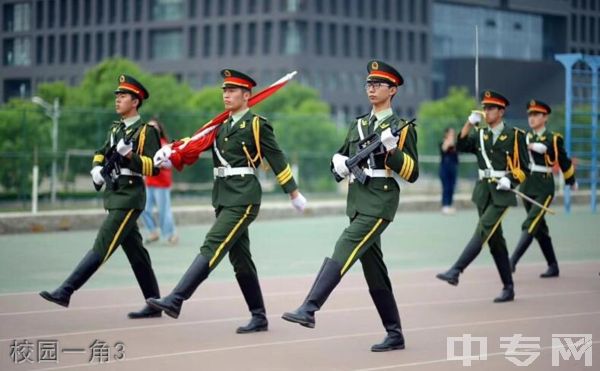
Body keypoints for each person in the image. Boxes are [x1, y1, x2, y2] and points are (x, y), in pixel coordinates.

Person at [147, 69, 307, 334]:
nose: (226, 95)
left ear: (247, 96)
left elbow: (277, 158)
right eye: (224, 90)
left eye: (232, 91)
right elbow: (195, 145)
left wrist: (293, 192)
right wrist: (172, 151)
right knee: (241, 260)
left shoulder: (257, 124)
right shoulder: (220, 126)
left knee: (213, 244)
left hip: (244, 197)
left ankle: (176, 299)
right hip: (223, 195)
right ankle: (259, 317)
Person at [281, 60, 418, 352]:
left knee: (345, 245)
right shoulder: (358, 124)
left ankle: (310, 307)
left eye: (378, 84)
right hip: (358, 200)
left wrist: (392, 150)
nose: (371, 88)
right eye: (369, 84)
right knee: (374, 271)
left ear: (393, 90)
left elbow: (412, 173)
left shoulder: (399, 127)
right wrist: (338, 164)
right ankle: (395, 334)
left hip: (380, 201)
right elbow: (342, 159)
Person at [40, 75, 163, 319]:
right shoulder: (115, 128)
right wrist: (97, 168)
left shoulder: (146, 131)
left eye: (123, 96)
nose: (118, 99)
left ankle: (66, 290)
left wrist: (130, 158)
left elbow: (155, 167)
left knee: (102, 244)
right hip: (114, 192)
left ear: (136, 101)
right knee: (136, 253)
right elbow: (101, 152)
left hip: (130, 196)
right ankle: (154, 303)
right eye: (117, 96)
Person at [436, 90, 529, 303]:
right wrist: (469, 124)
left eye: (491, 108)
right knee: (496, 242)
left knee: (483, 230)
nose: (486, 112)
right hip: (483, 192)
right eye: (485, 108)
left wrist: (511, 180)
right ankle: (508, 287)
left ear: (501, 111)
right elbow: (458, 146)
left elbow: (524, 167)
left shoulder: (515, 136)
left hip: (502, 194)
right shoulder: (480, 134)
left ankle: (456, 271)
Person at [510, 100, 577, 278]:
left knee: (531, 223)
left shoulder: (553, 138)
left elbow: (562, 160)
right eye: (530, 115)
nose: (532, 118)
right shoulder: (525, 137)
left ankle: (512, 262)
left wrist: (571, 180)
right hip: (527, 186)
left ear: (545, 117)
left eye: (536, 115)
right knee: (539, 228)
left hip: (543, 186)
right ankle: (553, 265)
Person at [141, 118, 178, 245]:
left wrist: (160, 161)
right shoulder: (144, 145)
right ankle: (153, 232)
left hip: (162, 183)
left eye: (155, 127)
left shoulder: (163, 144)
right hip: (149, 182)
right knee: (143, 208)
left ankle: (171, 234)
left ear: (159, 130)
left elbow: (169, 163)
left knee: (164, 211)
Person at [439, 127, 459, 214]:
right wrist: (448, 141)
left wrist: (453, 143)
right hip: (445, 168)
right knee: (446, 187)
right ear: (446, 134)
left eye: (453, 133)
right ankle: (445, 205)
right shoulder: (443, 143)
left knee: (452, 187)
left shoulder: (455, 144)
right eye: (450, 133)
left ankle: (450, 204)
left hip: (453, 167)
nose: (452, 135)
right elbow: (443, 149)